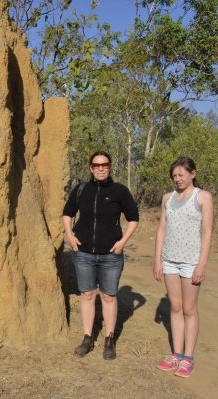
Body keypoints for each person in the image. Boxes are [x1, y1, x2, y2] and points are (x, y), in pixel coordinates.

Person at [62, 151, 139, 360]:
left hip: (111, 256)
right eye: (96, 165)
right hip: (84, 253)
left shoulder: (119, 191)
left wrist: (123, 242)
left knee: (108, 296)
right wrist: (70, 235)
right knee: (87, 295)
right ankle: (87, 338)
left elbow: (133, 218)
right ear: (90, 168)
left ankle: (109, 339)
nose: (100, 168)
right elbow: (68, 212)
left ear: (110, 166)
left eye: (104, 164)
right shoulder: (81, 190)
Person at [153, 157, 213, 378]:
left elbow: (207, 231)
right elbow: (161, 229)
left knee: (189, 309)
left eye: (181, 175)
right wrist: (157, 260)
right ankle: (177, 354)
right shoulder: (167, 198)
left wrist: (201, 264)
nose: (177, 179)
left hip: (191, 262)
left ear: (192, 174)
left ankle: (189, 358)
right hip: (169, 259)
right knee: (175, 307)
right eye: (174, 176)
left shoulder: (203, 197)